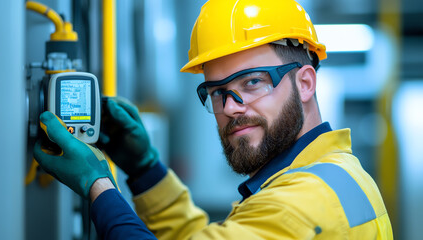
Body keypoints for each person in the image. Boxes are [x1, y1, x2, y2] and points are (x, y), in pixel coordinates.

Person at [33, 0, 394, 239]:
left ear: (304, 83)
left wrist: (98, 186)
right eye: (218, 91)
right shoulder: (332, 175)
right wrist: (144, 169)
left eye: (253, 82)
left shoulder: (298, 205)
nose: (232, 107)